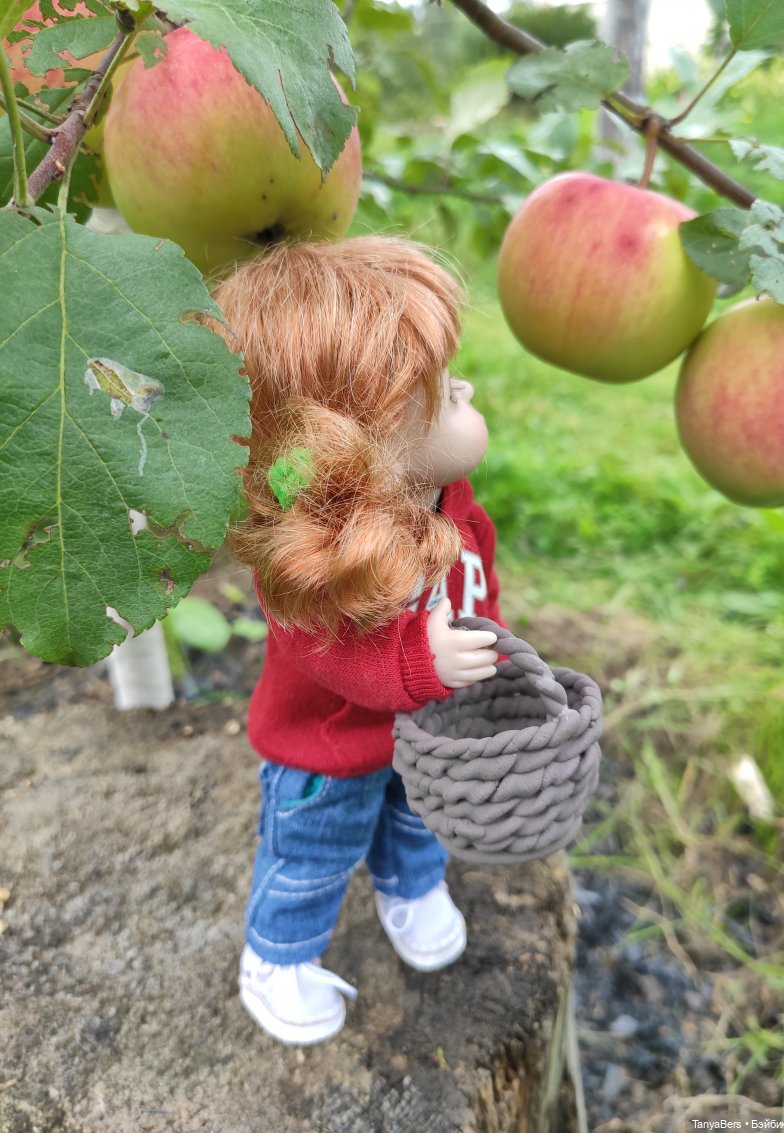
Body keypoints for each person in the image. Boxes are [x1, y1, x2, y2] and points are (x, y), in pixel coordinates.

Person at [210, 236, 503, 1045]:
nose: (466, 390)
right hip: (328, 750)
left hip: (425, 731)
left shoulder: (452, 506)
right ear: (355, 451)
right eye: (440, 396)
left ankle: (411, 888)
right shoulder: (319, 562)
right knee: (312, 849)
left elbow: (478, 583)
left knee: (419, 816)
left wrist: (489, 652)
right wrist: (421, 659)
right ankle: (278, 954)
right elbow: (334, 656)